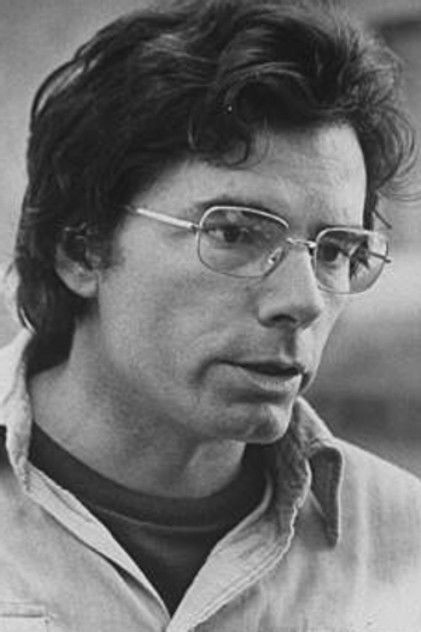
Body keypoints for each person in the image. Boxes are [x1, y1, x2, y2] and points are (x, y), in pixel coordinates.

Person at [1, 0, 420, 629]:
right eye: (234, 233)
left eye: (335, 251)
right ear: (81, 249)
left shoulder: (405, 544)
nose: (303, 300)